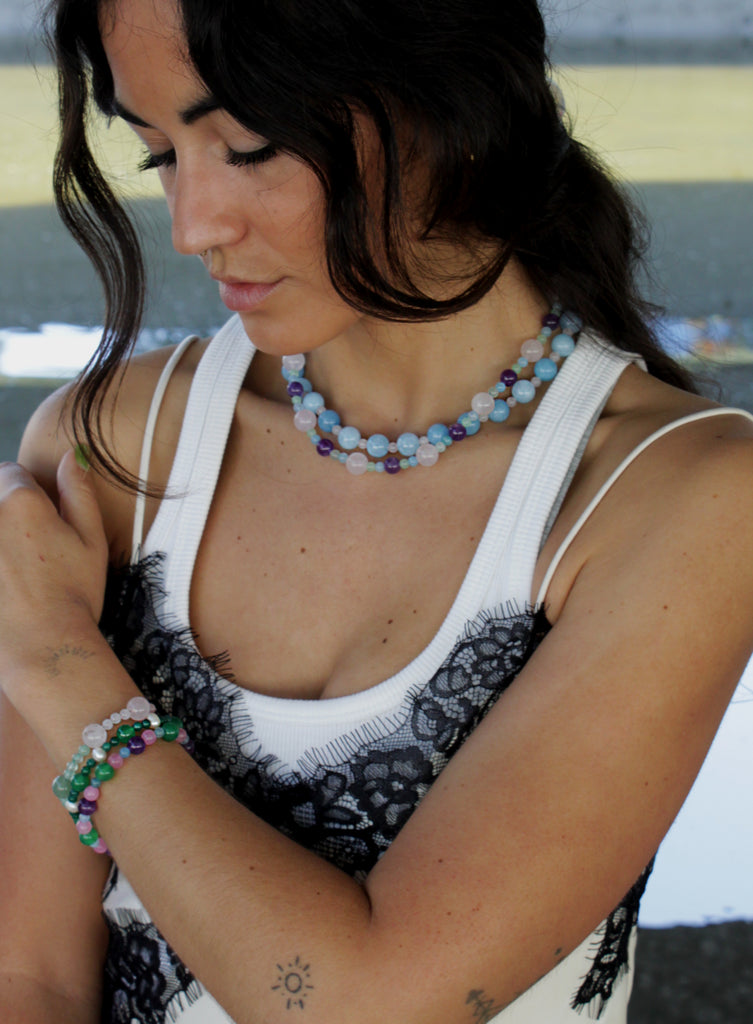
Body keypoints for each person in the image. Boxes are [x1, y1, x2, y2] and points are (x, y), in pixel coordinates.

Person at [1, 1, 752, 1022]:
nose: (193, 226)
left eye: (249, 147)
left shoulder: (681, 498)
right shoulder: (117, 448)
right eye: (161, 156)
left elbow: (370, 1004)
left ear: (447, 103)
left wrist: (57, 664)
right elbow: (30, 976)